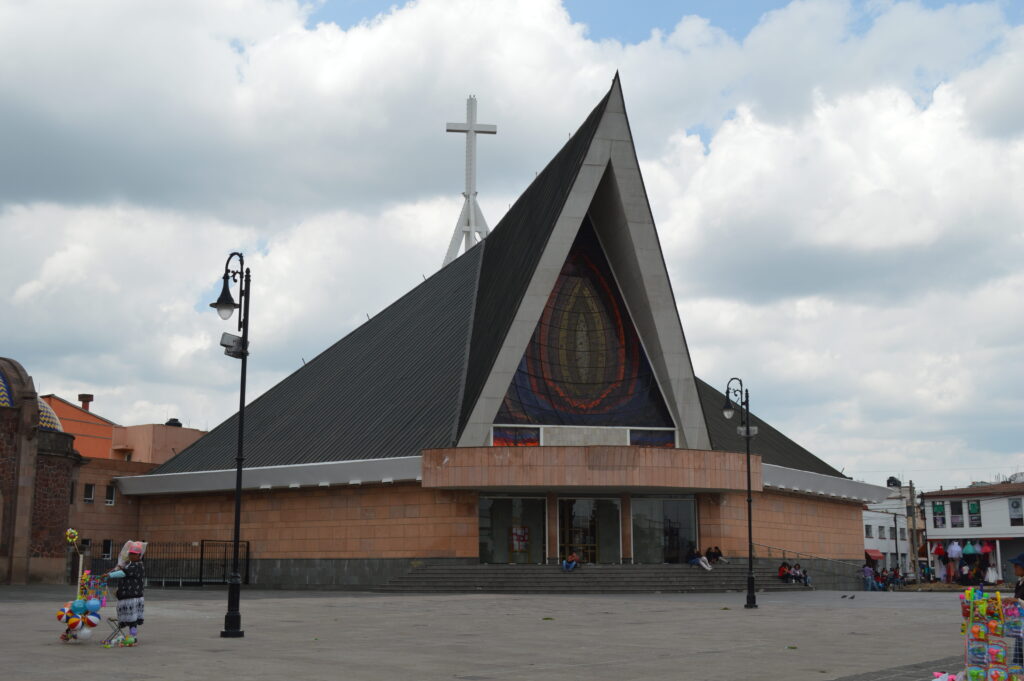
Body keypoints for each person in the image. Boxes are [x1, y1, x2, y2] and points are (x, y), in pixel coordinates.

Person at [103, 541, 145, 646]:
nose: (131, 556)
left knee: (132, 619)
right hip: (127, 595)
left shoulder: (136, 565)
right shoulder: (130, 564)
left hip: (132, 596)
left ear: (139, 555)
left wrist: (109, 575)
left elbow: (123, 573)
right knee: (130, 618)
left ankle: (133, 636)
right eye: (130, 554)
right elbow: (124, 571)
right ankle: (132, 636)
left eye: (133, 554)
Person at [1010, 552, 1024, 666]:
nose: (1014, 568)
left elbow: (1018, 600)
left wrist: (1017, 601)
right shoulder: (1020, 582)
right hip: (1020, 622)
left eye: (1016, 565)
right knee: (1019, 649)